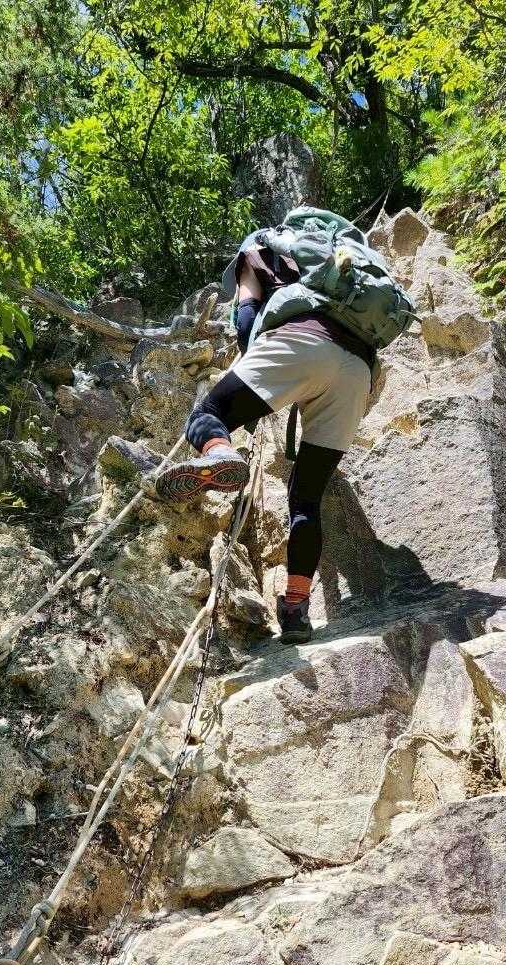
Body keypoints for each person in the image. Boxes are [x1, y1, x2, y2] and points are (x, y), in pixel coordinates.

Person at [155, 219, 376, 645]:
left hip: (299, 341)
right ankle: (295, 610)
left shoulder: (258, 250)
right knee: (306, 499)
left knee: (208, 413)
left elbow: (245, 319)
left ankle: (220, 452)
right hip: (357, 370)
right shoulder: (337, 257)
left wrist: (259, 369)